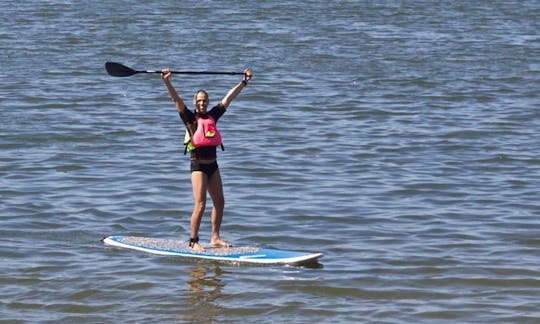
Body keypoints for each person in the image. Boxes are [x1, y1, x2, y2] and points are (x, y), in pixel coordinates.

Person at [161, 67, 252, 252]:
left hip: (213, 166)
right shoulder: (189, 118)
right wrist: (167, 81)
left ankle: (215, 238)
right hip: (198, 167)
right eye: (199, 101)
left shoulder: (212, 116)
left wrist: (244, 82)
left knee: (220, 202)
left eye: (205, 101)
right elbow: (176, 100)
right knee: (200, 204)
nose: (202, 103)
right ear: (195, 103)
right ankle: (193, 241)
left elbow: (228, 99)